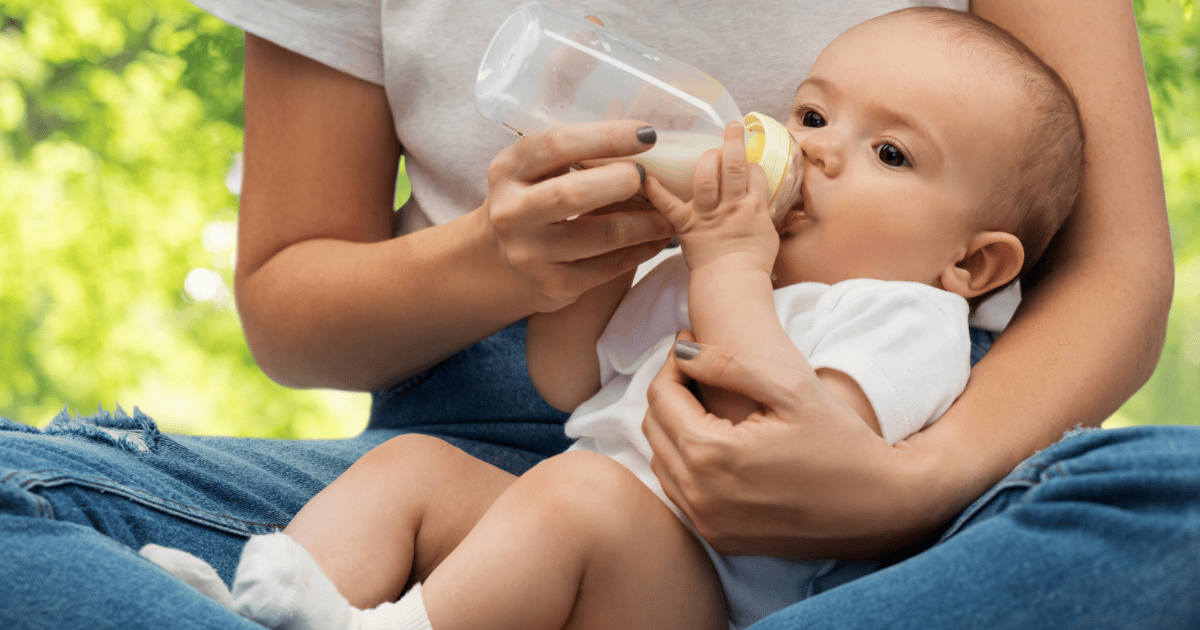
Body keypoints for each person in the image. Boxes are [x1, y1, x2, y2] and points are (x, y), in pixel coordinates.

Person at [0, 1, 1193, 629]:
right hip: (530, 464)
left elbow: (756, 425)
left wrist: (911, 480)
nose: (818, 156)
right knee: (417, 468)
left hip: (749, 568)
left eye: (884, 151)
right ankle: (289, 603)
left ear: (972, 260)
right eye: (814, 118)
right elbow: (571, 384)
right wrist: (546, 269)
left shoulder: (903, 321)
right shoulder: (726, 262)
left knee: (1174, 511)